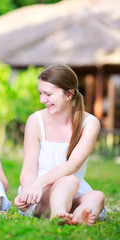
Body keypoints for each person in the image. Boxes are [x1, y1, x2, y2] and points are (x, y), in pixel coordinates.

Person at [14, 64, 106, 225]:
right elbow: (29, 167)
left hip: (74, 189)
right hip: (41, 193)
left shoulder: (90, 123)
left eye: (48, 94)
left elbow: (74, 164)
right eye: (40, 93)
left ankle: (78, 216)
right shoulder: (36, 121)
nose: (42, 100)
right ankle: (59, 214)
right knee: (69, 181)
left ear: (69, 94)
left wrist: (40, 182)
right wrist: (29, 191)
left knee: (97, 196)